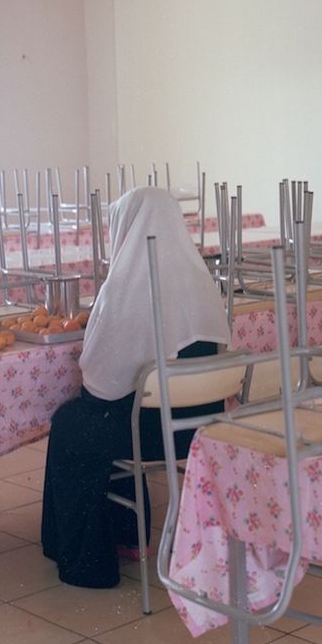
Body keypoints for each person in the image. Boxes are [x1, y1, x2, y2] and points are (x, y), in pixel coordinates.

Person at [41, 186, 230, 588]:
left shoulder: (125, 289)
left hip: (149, 436)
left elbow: (98, 380)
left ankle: (89, 561)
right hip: (201, 429)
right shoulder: (202, 281)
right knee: (106, 414)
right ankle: (128, 536)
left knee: (74, 421)